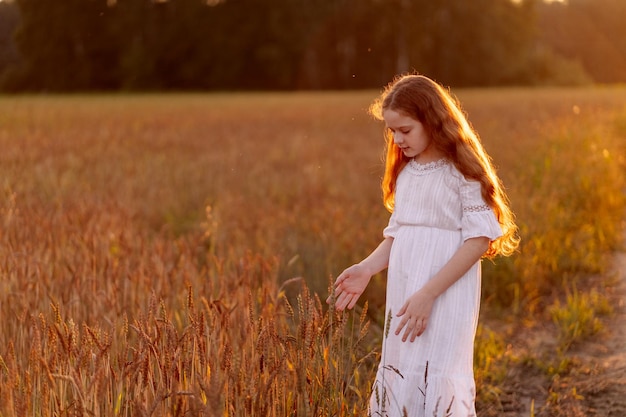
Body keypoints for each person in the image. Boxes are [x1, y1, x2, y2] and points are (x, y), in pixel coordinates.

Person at [327, 74, 519, 417]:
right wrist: (367, 268)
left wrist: (429, 293)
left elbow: (478, 240)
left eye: (405, 130)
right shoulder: (407, 173)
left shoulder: (463, 171)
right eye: (392, 131)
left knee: (438, 371)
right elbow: (399, 234)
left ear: (432, 121)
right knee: (403, 367)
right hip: (406, 291)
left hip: (444, 292)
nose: (397, 139)